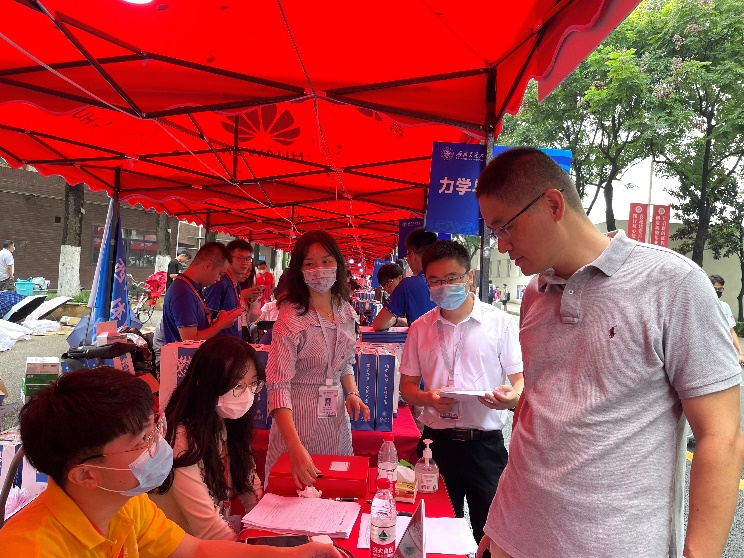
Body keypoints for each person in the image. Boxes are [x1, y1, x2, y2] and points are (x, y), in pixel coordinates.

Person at [474, 146, 744, 558]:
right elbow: (535, 409)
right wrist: (498, 523)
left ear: (552, 204)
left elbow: (721, 437)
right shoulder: (534, 293)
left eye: (504, 227)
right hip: (514, 535)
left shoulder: (673, 284)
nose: (502, 245)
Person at [0, 367, 341, 558]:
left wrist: (295, 555)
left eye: (154, 431)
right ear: (86, 474)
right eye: (142, 440)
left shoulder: (125, 504)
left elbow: (197, 550)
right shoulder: (29, 549)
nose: (157, 446)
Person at [399, 240, 523, 544]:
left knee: (491, 537)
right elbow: (407, 387)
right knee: (436, 535)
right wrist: (427, 398)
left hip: (485, 447)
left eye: (452, 278)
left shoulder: (500, 323)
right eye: (435, 281)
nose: (444, 287)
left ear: (469, 276)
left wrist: (511, 397)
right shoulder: (420, 328)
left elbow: (521, 381)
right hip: (437, 447)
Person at [265, 230, 370, 488]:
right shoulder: (291, 317)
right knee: (295, 497)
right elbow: (277, 385)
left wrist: (352, 393)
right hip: (298, 423)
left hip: (335, 421)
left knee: (335, 490)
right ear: (299, 270)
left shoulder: (345, 310)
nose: (319, 270)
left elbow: (344, 362)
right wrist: (294, 446)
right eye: (309, 263)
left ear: (338, 264)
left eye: (326, 261)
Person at [151, 336, 265, 539]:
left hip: (208, 542)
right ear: (203, 383)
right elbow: (208, 528)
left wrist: (267, 525)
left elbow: (250, 488)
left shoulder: (227, 421)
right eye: (237, 385)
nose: (247, 394)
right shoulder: (181, 438)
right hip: (179, 546)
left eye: (252, 384)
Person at [162, 242, 243, 345]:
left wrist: (217, 322)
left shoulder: (191, 288)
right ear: (207, 266)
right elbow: (190, 340)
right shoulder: (183, 293)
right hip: (183, 355)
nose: (218, 279)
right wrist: (221, 324)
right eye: (220, 274)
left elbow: (197, 329)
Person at [372, 227, 437, 330]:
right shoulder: (448, 283)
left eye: (407, 257)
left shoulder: (408, 285)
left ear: (412, 255)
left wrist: (395, 320)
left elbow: (378, 324)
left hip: (422, 340)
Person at [205, 240, 262, 338]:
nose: (245, 263)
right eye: (240, 258)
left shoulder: (236, 285)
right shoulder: (219, 282)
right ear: (228, 258)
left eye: (248, 259)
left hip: (233, 340)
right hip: (220, 342)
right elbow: (207, 318)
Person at [709, 274, 744, 365]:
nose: (717, 291)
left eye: (720, 289)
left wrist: (741, 353)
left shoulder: (725, 306)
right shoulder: (699, 306)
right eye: (714, 289)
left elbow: (731, 331)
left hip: (723, 353)